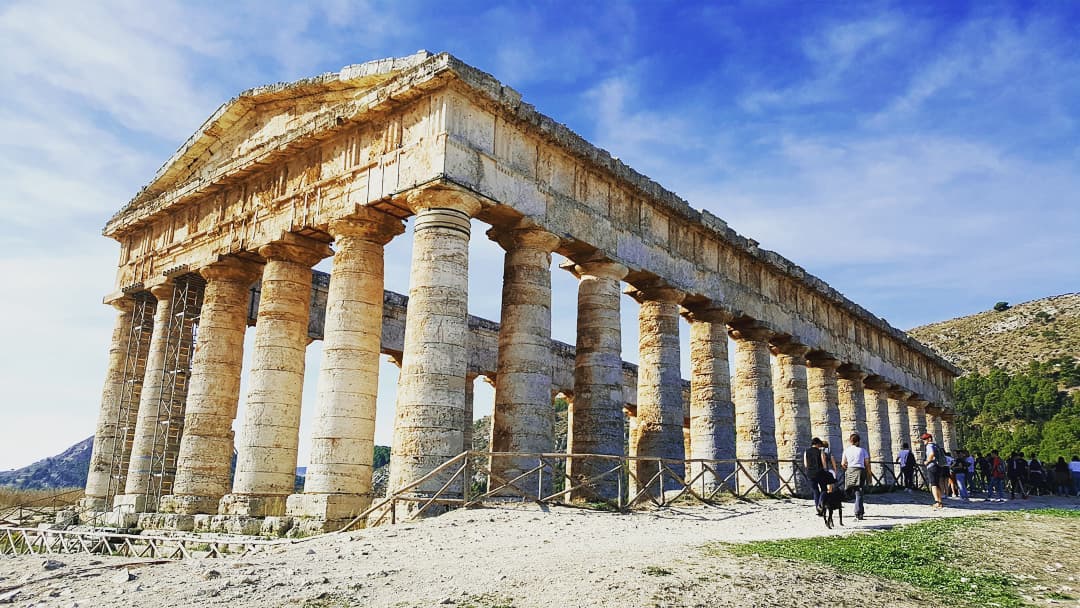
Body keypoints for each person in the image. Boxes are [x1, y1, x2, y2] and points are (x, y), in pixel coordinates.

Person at [841, 433, 871, 520]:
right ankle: (858, 513)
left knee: (849, 489)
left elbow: (843, 464)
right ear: (858, 441)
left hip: (850, 470)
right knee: (859, 492)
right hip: (860, 471)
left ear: (850, 441)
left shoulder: (846, 450)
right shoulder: (863, 450)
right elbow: (867, 464)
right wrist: (869, 475)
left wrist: (847, 468)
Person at [803, 437, 829, 515]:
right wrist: (826, 470)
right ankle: (821, 504)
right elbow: (824, 463)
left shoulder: (806, 452)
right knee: (824, 489)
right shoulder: (821, 452)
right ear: (817, 444)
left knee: (815, 491)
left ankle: (818, 508)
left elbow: (806, 464)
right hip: (820, 472)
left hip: (810, 473)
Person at [921, 433, 944, 508]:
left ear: (929, 439)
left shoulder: (929, 446)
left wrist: (927, 461)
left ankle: (937, 502)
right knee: (937, 484)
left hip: (932, 466)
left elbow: (931, 454)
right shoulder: (936, 445)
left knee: (933, 485)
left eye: (925, 439)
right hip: (939, 466)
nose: (923, 441)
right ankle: (940, 501)